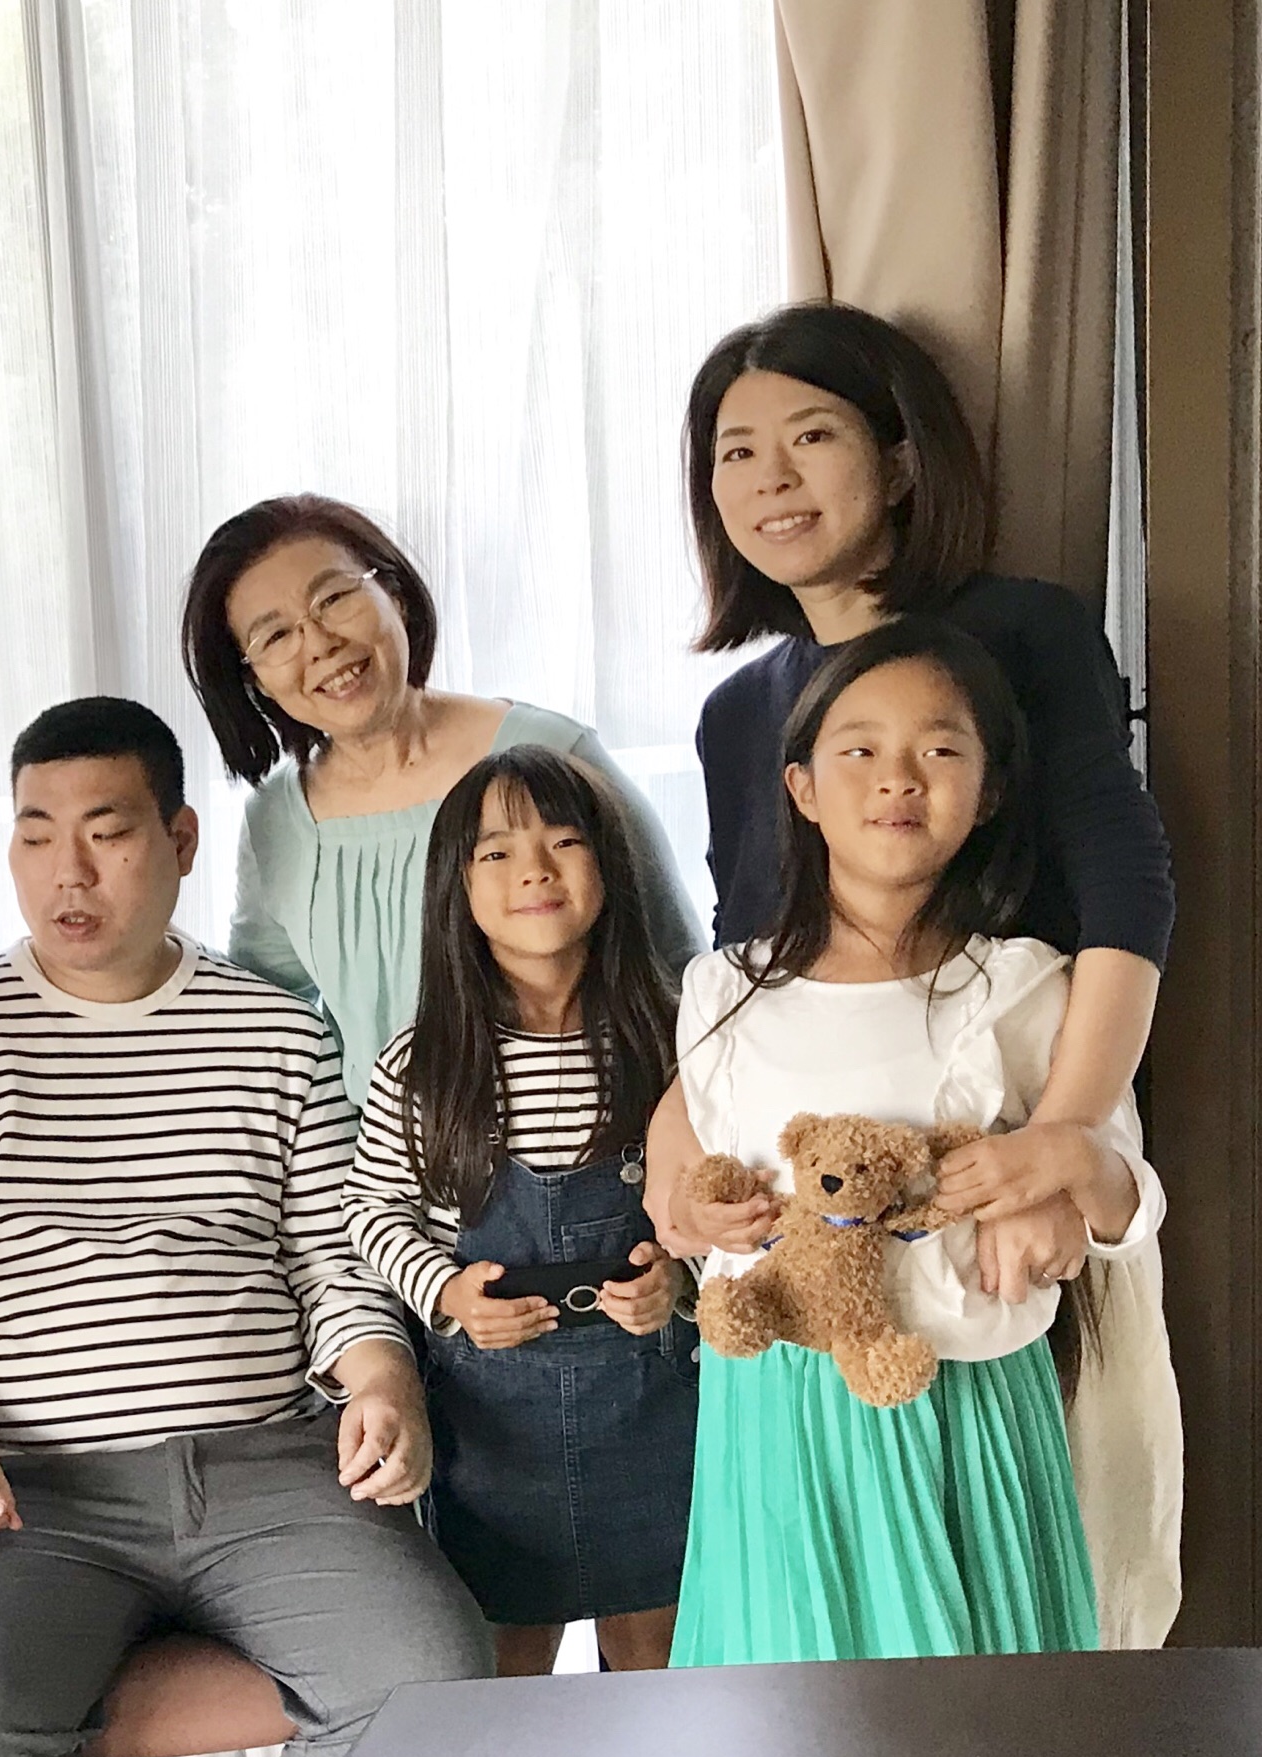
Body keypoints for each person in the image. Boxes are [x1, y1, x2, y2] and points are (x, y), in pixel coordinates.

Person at [0, 696, 493, 1757]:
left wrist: (383, 1382)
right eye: (35, 835)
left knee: (432, 1671)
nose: (68, 871)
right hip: (31, 1494)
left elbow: (332, 1263)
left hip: (272, 1469)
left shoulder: (274, 1031)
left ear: (182, 840)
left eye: (106, 833)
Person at [648, 300, 1175, 1313]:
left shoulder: (1024, 630)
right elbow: (753, 945)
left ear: (897, 466)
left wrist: (1059, 1141)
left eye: (812, 438)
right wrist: (677, 1128)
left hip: (1018, 1136)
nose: (771, 478)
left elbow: (1125, 885)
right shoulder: (740, 712)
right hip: (830, 1196)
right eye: (736, 452)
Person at [669, 619, 1166, 1665]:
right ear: (802, 789)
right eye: (859, 749)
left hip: (970, 1406)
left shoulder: (1023, 984)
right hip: (780, 1417)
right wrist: (699, 1210)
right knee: (793, 1705)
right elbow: (700, 1187)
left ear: (987, 794)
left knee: (979, 1711)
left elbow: (1125, 1206)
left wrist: (1067, 1159)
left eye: (940, 749)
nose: (899, 776)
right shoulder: (722, 993)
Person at [344, 745, 695, 1675]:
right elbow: (372, 1212)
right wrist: (448, 1292)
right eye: (496, 852)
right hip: (491, 1427)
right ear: (455, 889)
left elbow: (720, 1200)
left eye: (564, 841)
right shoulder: (421, 1064)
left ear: (610, 867)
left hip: (650, 1407)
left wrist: (678, 1279)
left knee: (657, 1650)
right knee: (502, 1660)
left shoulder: (675, 1036)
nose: (534, 869)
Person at [179, 492, 704, 1105]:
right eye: (274, 636)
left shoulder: (550, 753)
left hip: (586, 1135)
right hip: (382, 1155)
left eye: (335, 598)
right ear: (255, 682)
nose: (318, 644)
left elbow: (676, 967)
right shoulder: (276, 820)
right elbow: (273, 1017)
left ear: (395, 594)